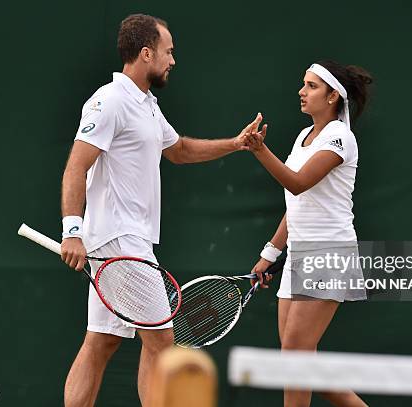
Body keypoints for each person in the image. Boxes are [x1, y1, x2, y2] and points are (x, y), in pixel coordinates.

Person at [59, 14, 261, 407]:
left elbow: (179, 150)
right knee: (163, 341)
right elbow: (75, 166)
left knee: (100, 342)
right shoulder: (110, 101)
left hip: (125, 241)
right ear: (146, 53)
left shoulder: (146, 104)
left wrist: (237, 144)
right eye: (168, 52)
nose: (173, 60)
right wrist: (72, 230)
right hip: (121, 240)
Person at [245, 60, 373, 407]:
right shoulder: (304, 137)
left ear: (334, 96)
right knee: (298, 360)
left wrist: (260, 150)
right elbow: (295, 205)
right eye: (304, 84)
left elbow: (298, 184)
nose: (302, 92)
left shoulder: (339, 137)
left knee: (296, 356)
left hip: (329, 253)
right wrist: (270, 253)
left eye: (312, 86)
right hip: (299, 256)